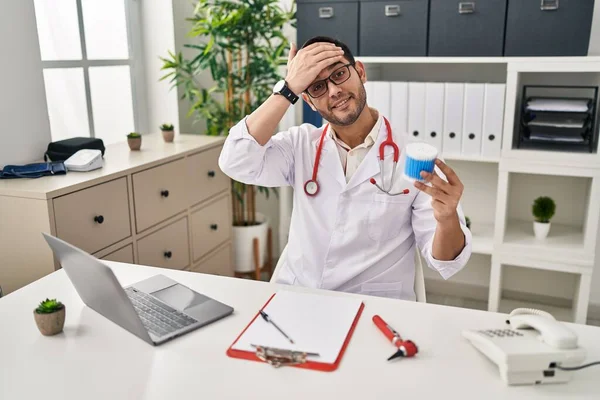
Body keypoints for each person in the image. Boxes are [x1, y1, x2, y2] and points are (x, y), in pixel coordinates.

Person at [219, 36, 472, 300]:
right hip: (302, 298)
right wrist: (288, 88)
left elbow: (446, 262)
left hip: (376, 306)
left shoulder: (413, 157)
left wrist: (447, 219)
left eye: (339, 74)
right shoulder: (300, 146)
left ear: (360, 72)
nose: (333, 91)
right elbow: (235, 161)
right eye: (316, 87)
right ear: (307, 101)